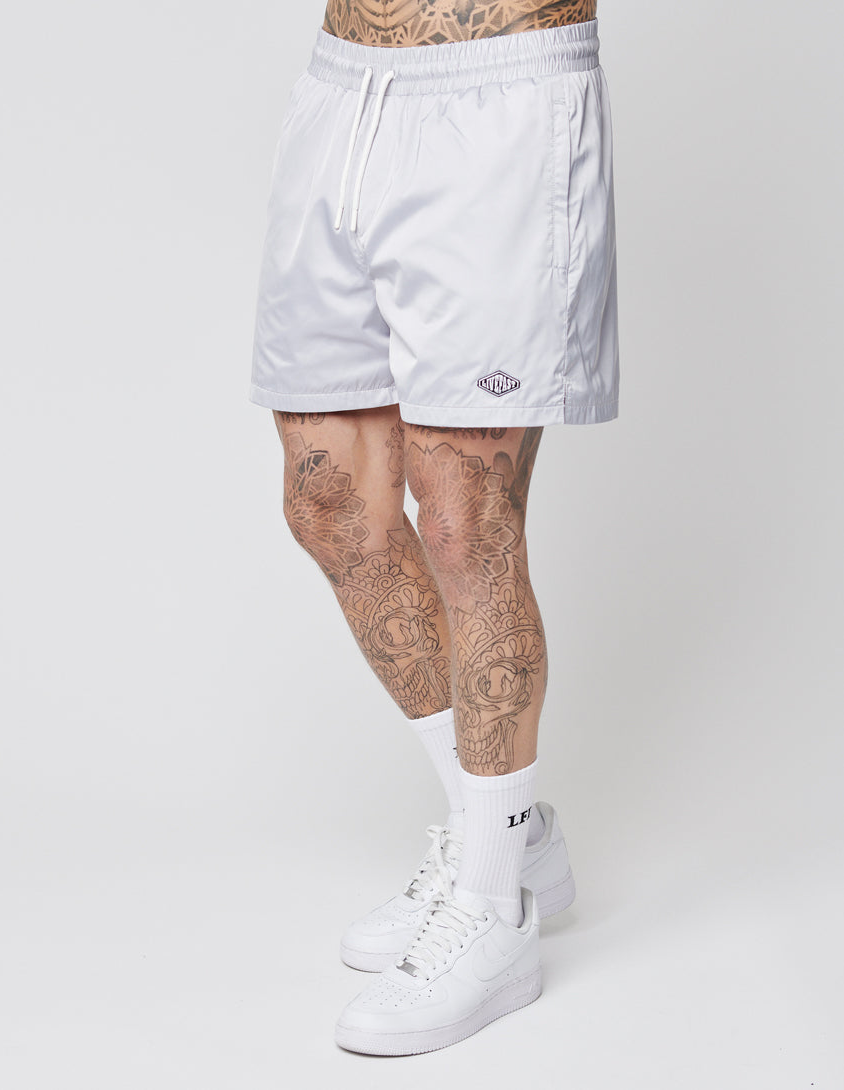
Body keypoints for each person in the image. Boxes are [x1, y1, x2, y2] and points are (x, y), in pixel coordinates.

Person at [249, 0, 618, 1056]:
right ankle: (502, 832)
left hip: (502, 89)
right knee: (327, 501)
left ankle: (495, 909)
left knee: (465, 520)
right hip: (343, 91)